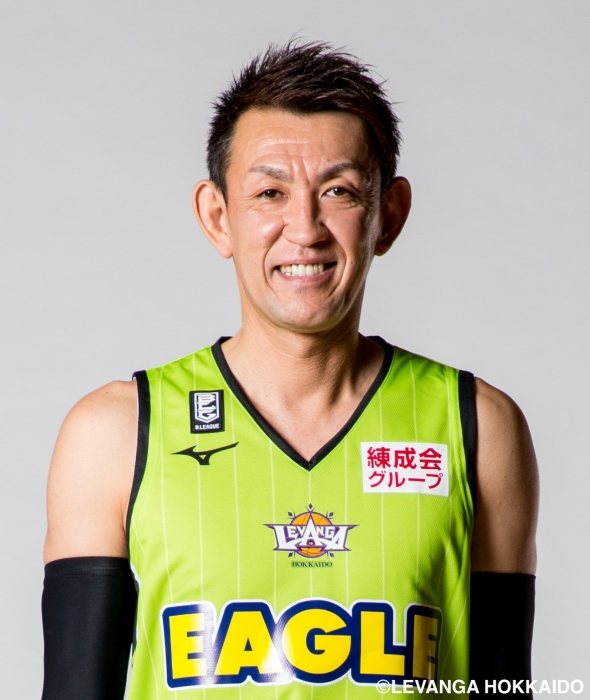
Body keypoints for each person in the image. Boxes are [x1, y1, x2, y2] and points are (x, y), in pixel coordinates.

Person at [41, 41, 538, 700]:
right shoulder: (115, 432)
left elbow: (503, 688)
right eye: (270, 192)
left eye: (338, 191)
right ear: (218, 217)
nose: (304, 229)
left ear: (388, 216)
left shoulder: (477, 426)